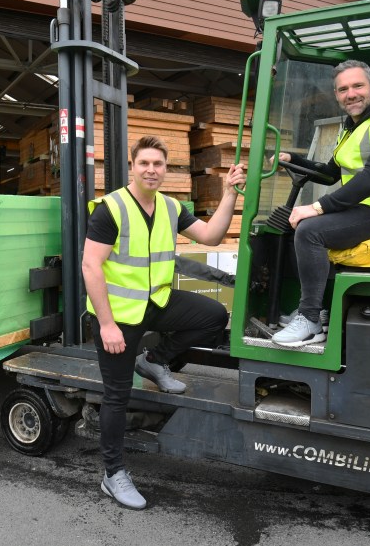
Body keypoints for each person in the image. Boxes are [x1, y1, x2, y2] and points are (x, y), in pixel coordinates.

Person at [82, 135, 245, 510]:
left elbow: (211, 235)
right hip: (118, 315)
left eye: (159, 164)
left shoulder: (170, 207)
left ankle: (154, 361)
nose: (152, 170)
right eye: (145, 164)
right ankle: (113, 474)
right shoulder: (111, 209)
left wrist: (230, 194)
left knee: (213, 316)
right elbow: (90, 266)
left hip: (155, 302)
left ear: (166, 170)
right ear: (132, 168)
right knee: (117, 395)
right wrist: (105, 324)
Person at [271, 59, 370, 348]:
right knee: (296, 226)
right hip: (365, 208)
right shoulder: (353, 125)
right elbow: (331, 174)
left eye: (357, 86)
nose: (350, 94)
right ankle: (317, 309)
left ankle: (310, 319)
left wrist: (317, 207)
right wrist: (294, 159)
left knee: (310, 231)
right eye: (343, 89)